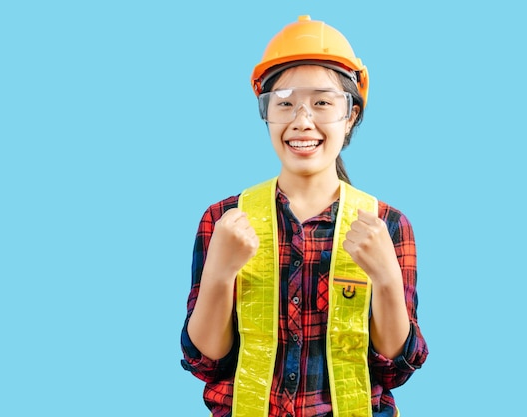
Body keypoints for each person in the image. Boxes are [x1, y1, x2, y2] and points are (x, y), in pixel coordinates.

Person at [180, 15, 428, 417]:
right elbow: (206, 362)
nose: (302, 120)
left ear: (350, 116)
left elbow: (396, 367)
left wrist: (385, 279)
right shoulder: (224, 219)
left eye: (322, 102)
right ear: (266, 114)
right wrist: (219, 275)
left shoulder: (387, 225)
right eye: (285, 103)